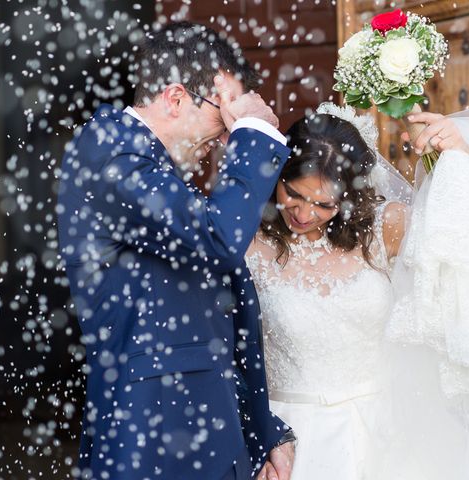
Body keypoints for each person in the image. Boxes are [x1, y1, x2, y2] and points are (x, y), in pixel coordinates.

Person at [245, 100, 469, 479]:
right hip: (292, 438)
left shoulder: (382, 230)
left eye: (323, 204)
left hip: (390, 433)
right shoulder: (248, 243)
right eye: (293, 193)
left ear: (347, 198)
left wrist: (460, 156)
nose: (304, 213)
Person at [57, 22, 295, 480]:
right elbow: (220, 241)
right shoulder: (112, 153)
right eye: (222, 112)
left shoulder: (150, 169)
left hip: (198, 429)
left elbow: (209, 320)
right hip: (155, 436)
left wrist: (263, 431)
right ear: (175, 97)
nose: (226, 133)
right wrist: (254, 136)